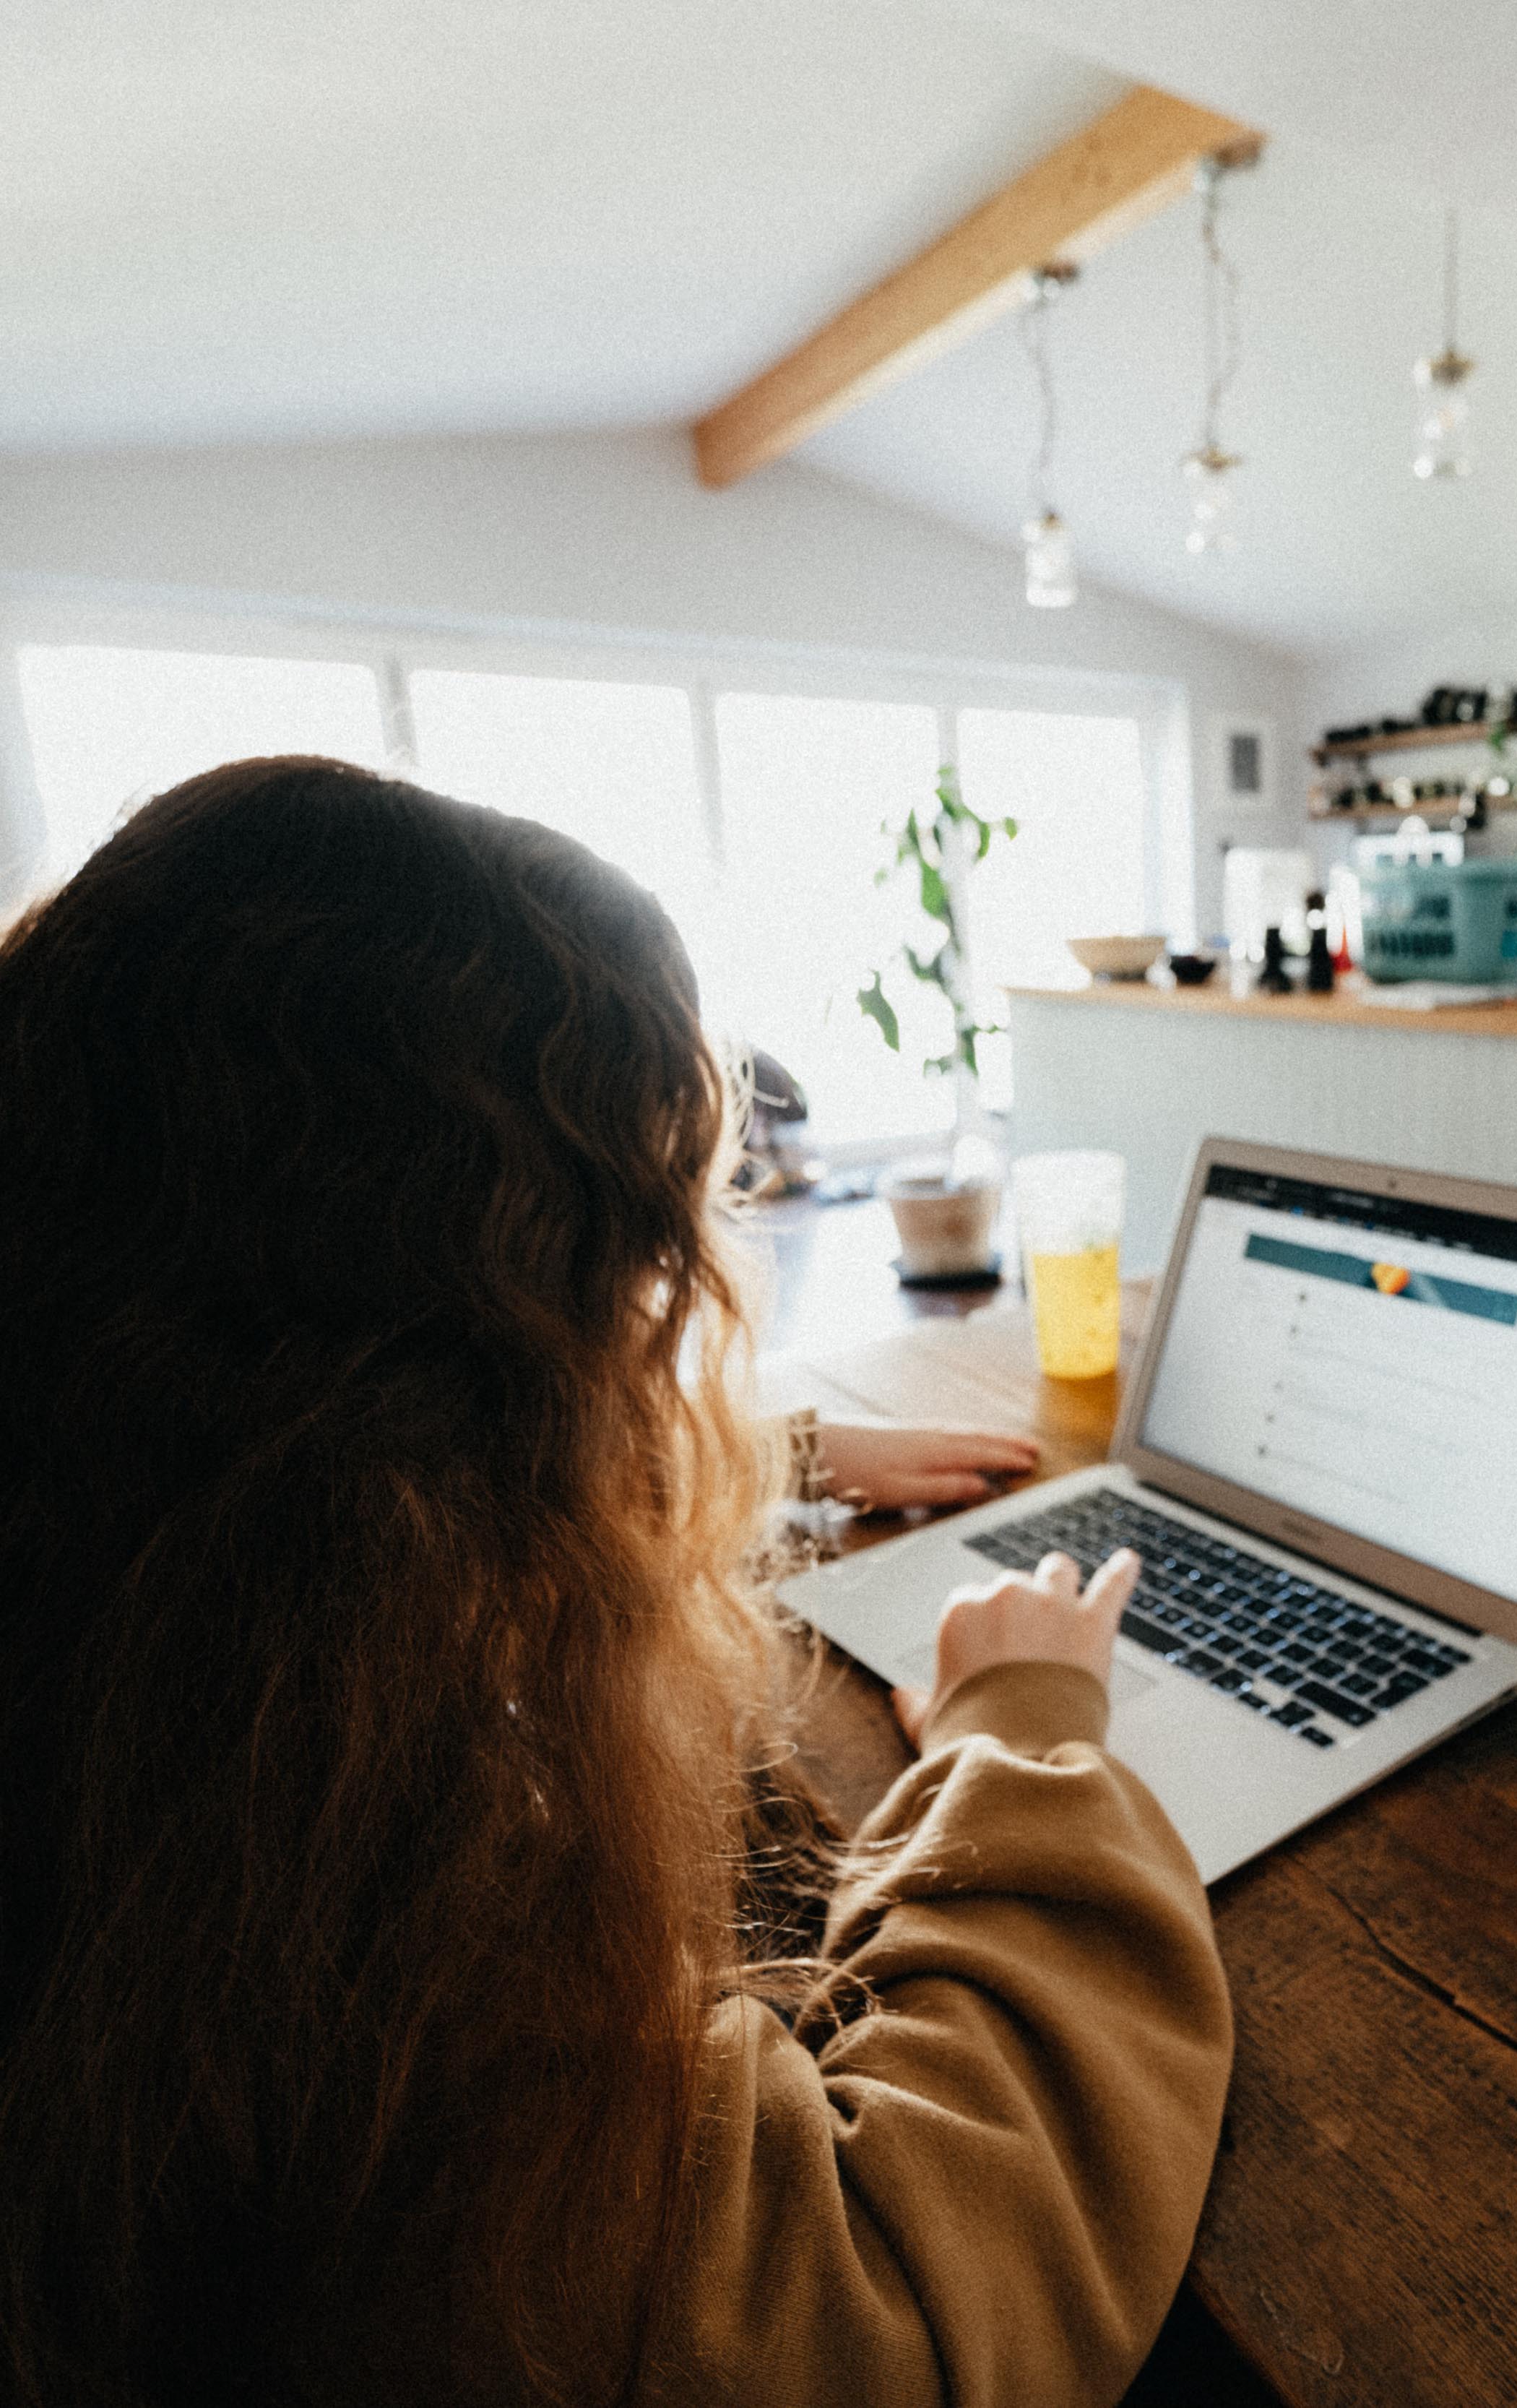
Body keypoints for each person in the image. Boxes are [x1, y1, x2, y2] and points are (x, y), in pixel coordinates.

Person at [0, 758, 1231, 2407]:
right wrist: (1027, 1734)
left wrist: (763, 1456)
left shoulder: (121, 1575)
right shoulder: (340, 1891)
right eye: (611, 1280)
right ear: (452, 1359)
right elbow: (893, 2303)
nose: (645, 1336)